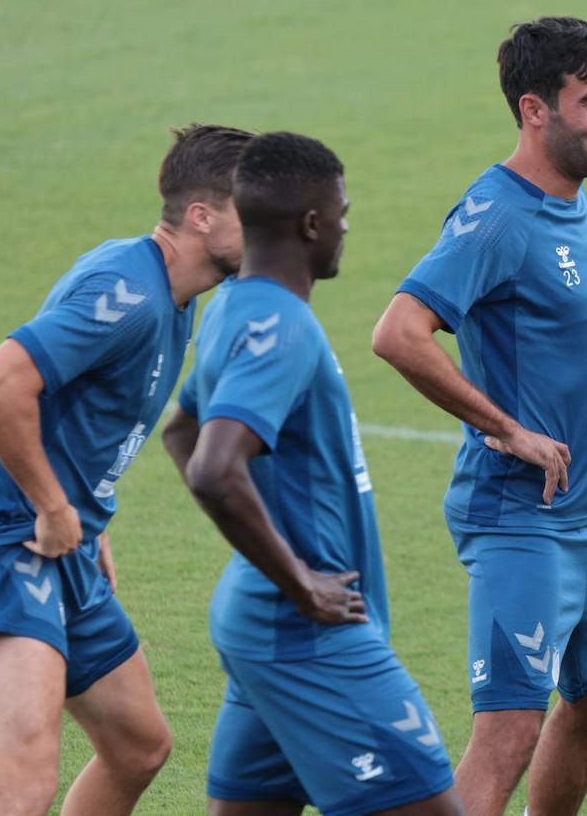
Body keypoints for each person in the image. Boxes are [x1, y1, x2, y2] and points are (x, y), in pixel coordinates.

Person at [0, 124, 254, 815]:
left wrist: (84, 515)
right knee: (22, 788)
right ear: (201, 216)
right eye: (253, 210)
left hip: (66, 548)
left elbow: (80, 411)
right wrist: (52, 505)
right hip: (5, 548)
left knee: (139, 746)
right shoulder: (129, 295)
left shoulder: (173, 294)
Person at [372, 17, 587, 816]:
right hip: (521, 518)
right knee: (507, 738)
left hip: (582, 516)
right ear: (535, 110)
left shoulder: (569, 199)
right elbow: (398, 332)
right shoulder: (499, 215)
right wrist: (507, 428)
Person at [161, 131, 463, 816]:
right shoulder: (283, 327)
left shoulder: (229, 309)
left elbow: (181, 429)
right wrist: (298, 579)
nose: (348, 226)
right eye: (344, 212)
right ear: (311, 224)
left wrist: (264, 543)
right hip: (309, 634)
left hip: (257, 619)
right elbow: (211, 467)